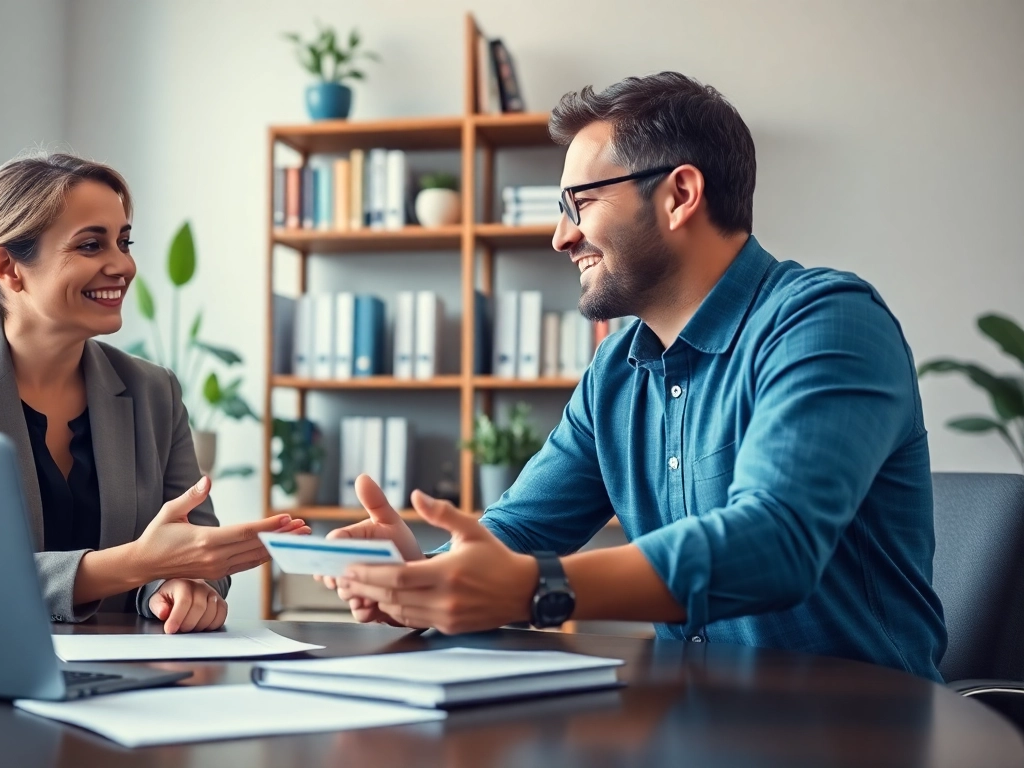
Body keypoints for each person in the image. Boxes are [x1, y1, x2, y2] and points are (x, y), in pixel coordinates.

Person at [325, 72, 947, 680]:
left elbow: (775, 541)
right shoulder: (616, 371)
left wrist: (535, 589)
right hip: (692, 724)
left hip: (858, 730)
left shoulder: (827, 321)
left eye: (581, 202)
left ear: (679, 195)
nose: (560, 236)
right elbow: (520, 531)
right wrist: (424, 577)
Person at [0, 152, 307, 633]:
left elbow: (194, 543)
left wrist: (176, 586)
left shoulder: (154, 391)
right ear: (9, 268)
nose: (122, 265)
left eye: (124, 242)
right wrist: (138, 564)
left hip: (127, 679)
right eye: (90, 245)